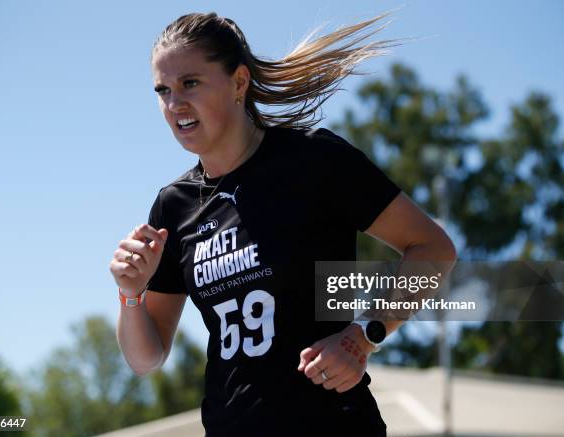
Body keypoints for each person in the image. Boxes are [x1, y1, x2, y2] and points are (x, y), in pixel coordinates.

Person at [110, 11, 457, 437]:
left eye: (190, 83)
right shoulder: (173, 207)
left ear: (239, 82)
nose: (174, 104)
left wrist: (362, 338)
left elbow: (433, 248)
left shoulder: (314, 160)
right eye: (162, 90)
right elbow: (146, 358)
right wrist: (130, 295)